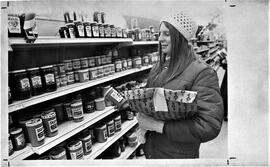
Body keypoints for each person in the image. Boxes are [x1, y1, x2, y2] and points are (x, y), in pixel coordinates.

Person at [137, 12, 224, 159]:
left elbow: (209, 126)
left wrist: (157, 126)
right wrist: (143, 124)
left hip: (177, 155)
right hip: (153, 150)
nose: (160, 39)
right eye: (159, 33)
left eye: (166, 34)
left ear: (181, 38)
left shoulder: (202, 73)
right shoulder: (158, 67)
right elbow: (153, 103)